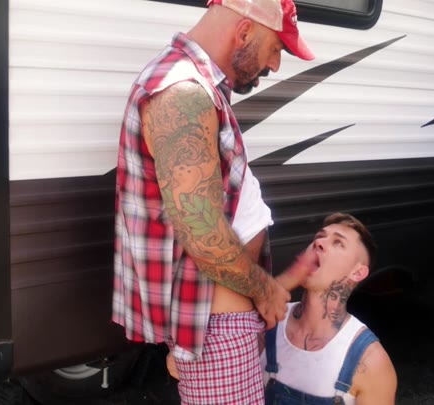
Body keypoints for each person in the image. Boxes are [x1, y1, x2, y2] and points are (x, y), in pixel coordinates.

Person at [111, 0, 315, 403]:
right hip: (216, 326)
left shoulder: (195, 86)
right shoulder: (183, 92)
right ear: (244, 31)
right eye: (277, 48)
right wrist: (265, 290)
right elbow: (202, 234)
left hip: (219, 319)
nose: (275, 65)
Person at [261, 213, 397, 405]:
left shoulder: (370, 360)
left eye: (338, 243)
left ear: (358, 272)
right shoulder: (269, 323)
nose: (319, 243)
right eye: (319, 237)